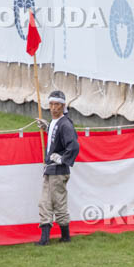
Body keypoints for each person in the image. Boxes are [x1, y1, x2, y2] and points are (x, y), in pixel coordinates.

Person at [35, 90, 79, 245]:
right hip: (50, 169)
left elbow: (73, 145)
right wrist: (47, 129)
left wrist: (62, 159)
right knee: (45, 202)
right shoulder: (55, 122)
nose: (54, 108)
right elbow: (56, 138)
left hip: (58, 171)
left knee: (58, 203)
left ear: (63, 106)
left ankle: (65, 237)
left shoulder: (65, 124)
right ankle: (45, 238)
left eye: (57, 105)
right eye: (51, 104)